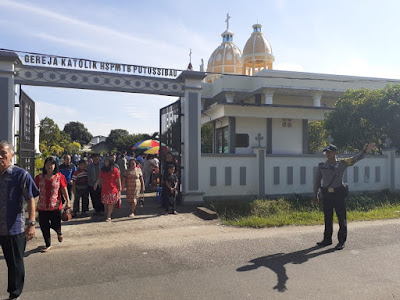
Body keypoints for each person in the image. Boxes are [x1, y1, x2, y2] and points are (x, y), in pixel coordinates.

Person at [313, 142, 375, 250]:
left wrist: (364, 151)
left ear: (336, 153)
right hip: (326, 195)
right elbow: (317, 181)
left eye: (330, 152)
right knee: (328, 218)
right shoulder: (321, 166)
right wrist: (315, 194)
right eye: (326, 152)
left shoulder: (342, 163)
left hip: (338, 195)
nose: (328, 154)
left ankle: (341, 241)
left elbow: (354, 159)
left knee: (341, 218)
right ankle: (327, 239)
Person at [0, 140, 39, 300]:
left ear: (11, 155)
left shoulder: (20, 174)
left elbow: (30, 199)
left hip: (15, 228)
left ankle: (14, 294)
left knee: (15, 263)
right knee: (10, 262)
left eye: (3, 153)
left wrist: (31, 223)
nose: (0, 156)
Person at [34, 157, 71, 253]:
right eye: (47, 164)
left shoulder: (59, 177)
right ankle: (48, 244)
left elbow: (63, 189)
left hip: (55, 205)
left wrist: (68, 201)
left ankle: (59, 232)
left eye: (52, 164)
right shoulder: (39, 177)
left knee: (56, 223)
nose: (49, 166)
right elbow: (34, 189)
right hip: (42, 206)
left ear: (55, 166)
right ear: (45, 166)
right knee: (44, 225)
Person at [94, 157, 121, 222]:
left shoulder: (115, 170)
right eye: (105, 162)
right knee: (105, 203)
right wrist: (96, 184)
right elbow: (99, 178)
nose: (106, 163)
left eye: (107, 161)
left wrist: (120, 186)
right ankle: (109, 212)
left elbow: (118, 179)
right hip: (105, 188)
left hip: (113, 188)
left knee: (110, 202)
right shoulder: (103, 170)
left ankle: (108, 216)